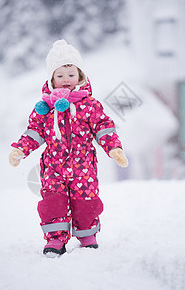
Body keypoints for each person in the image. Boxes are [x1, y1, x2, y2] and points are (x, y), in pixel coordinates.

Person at [9, 39, 128, 257]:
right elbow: (34, 132)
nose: (66, 80)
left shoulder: (90, 105)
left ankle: (87, 234)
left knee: (86, 200)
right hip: (53, 167)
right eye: (60, 75)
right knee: (53, 202)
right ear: (52, 79)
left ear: (80, 77)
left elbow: (103, 127)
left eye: (71, 75)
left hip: (84, 165)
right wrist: (20, 150)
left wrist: (114, 148)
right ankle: (55, 240)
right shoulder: (45, 107)